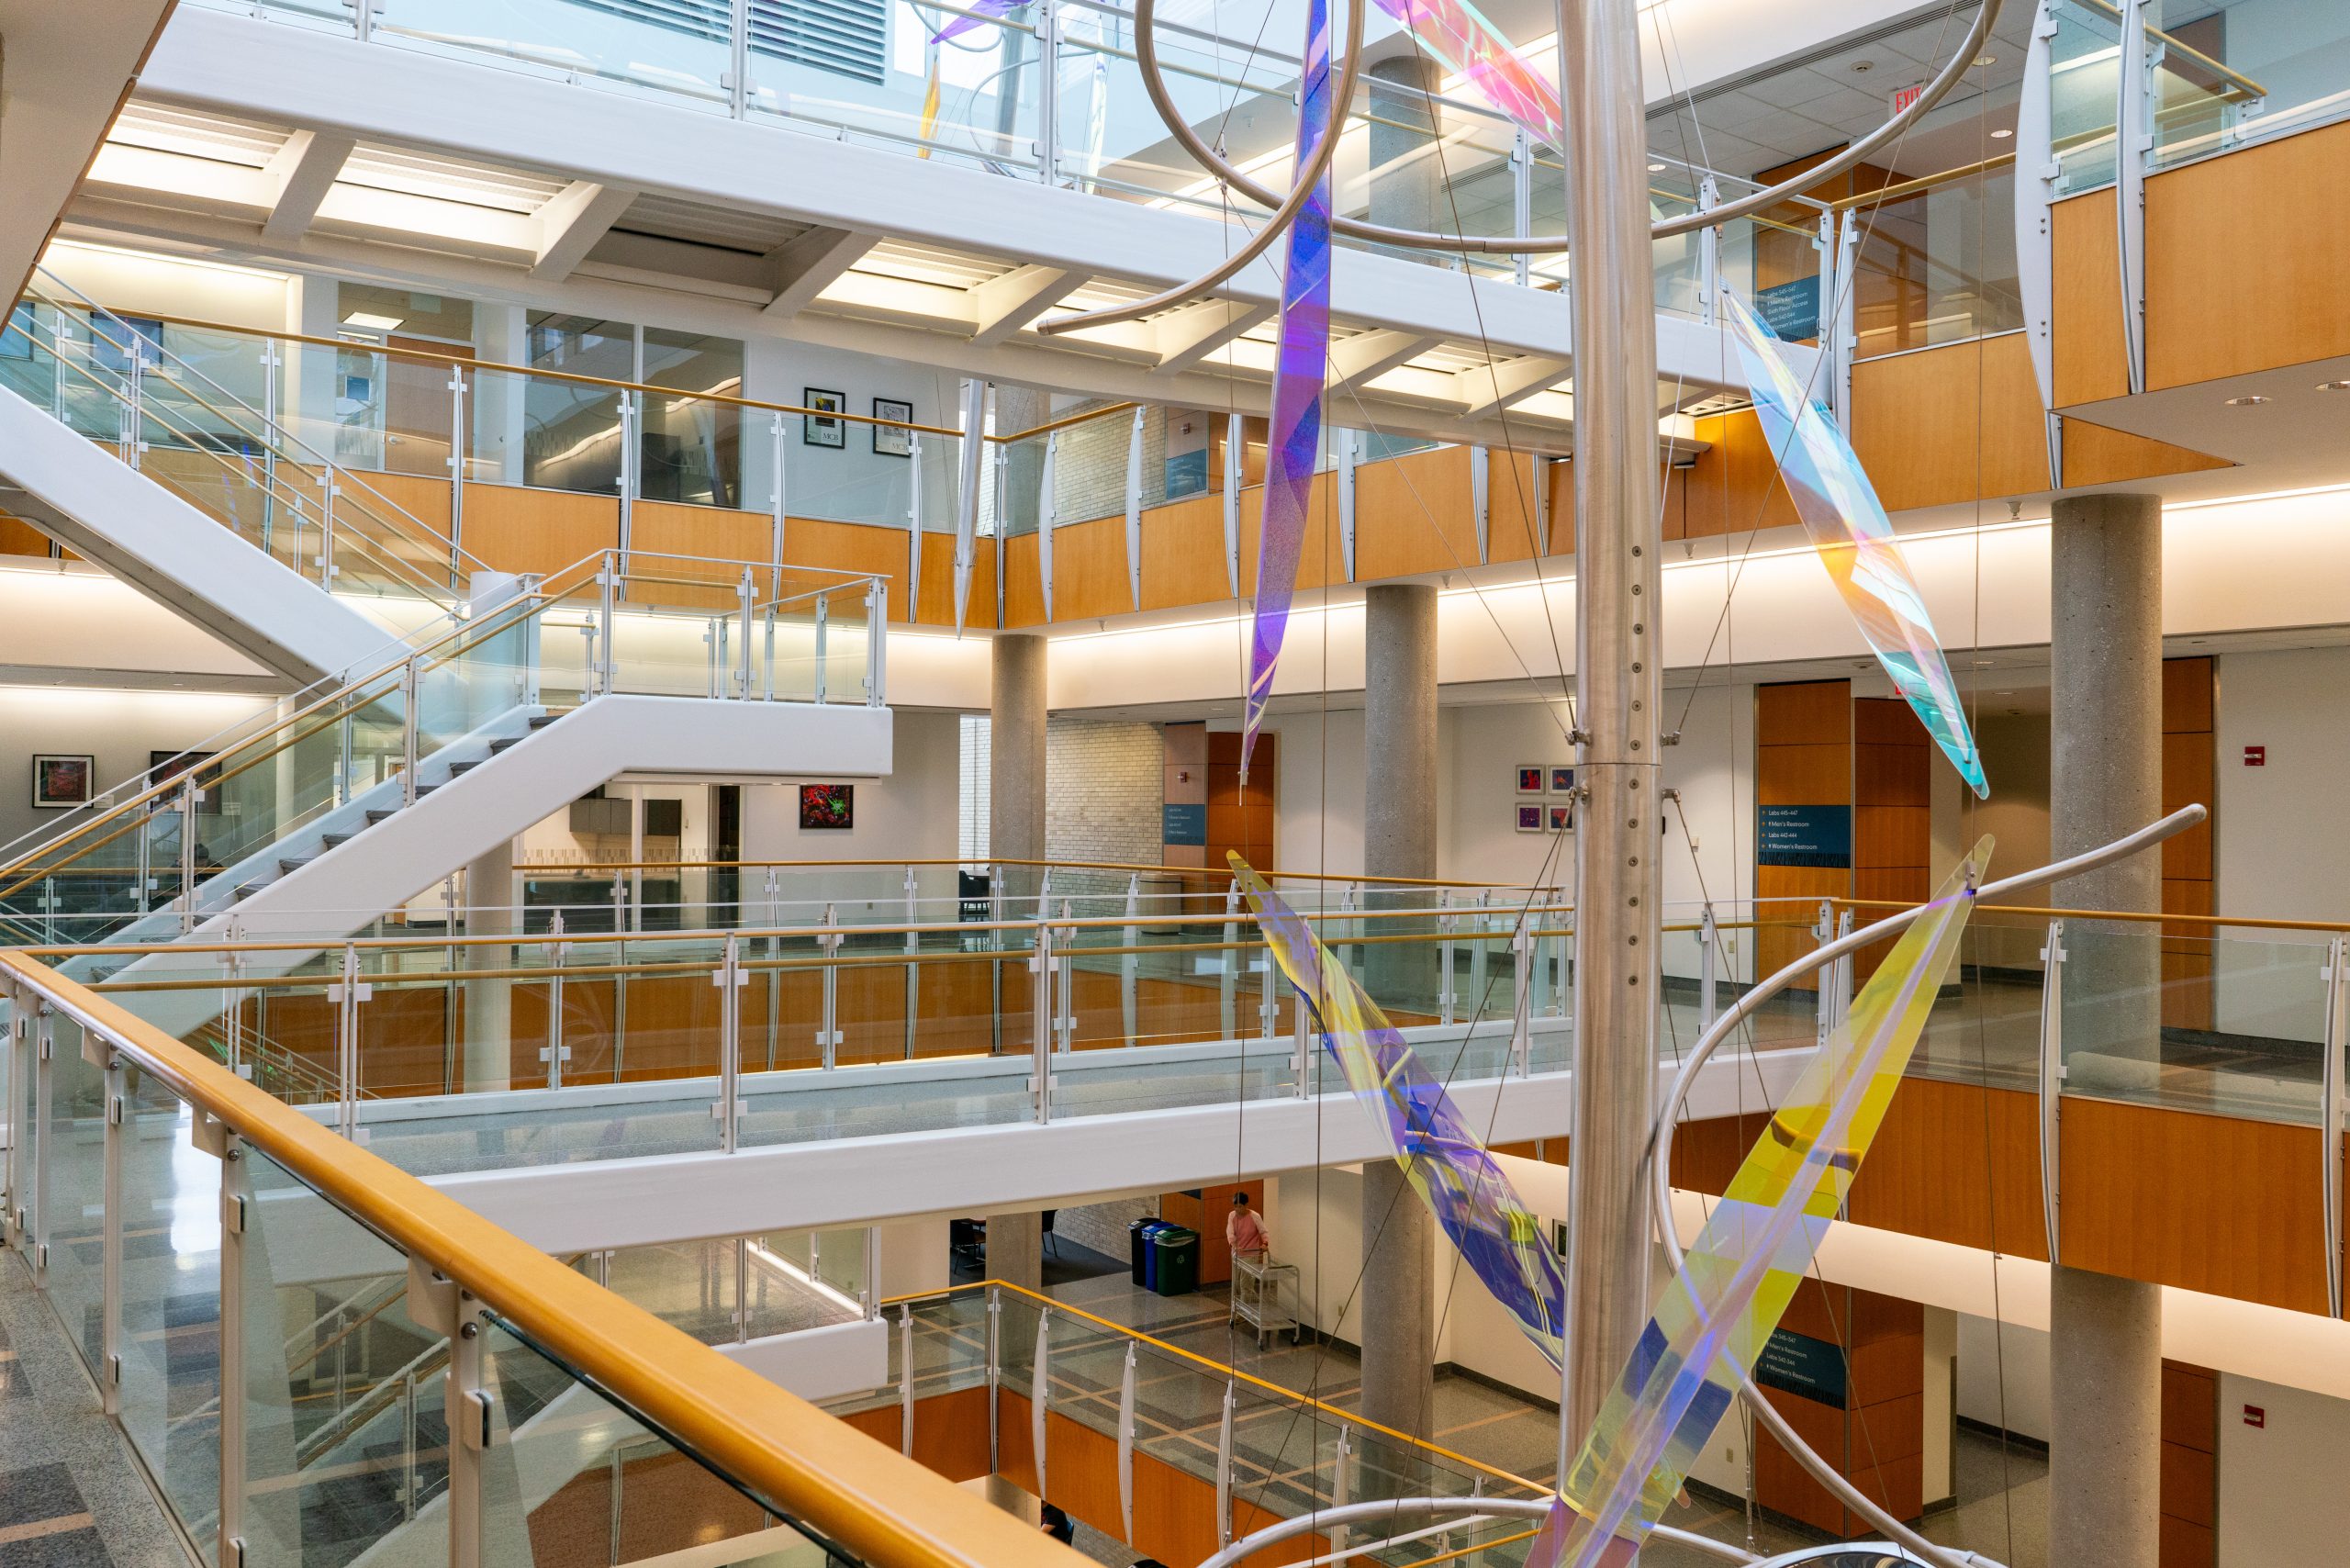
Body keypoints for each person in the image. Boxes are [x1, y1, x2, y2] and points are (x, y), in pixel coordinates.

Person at [1226, 1190, 1269, 1262]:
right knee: (1236, 1274)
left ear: (1246, 1205)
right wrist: (1233, 1244)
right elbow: (1230, 1232)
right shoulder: (1232, 1215)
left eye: (1240, 1207)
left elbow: (1264, 1232)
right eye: (1235, 1206)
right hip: (1237, 1254)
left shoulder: (1255, 1216)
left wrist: (1265, 1243)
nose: (1237, 1209)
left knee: (1248, 1273)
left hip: (1252, 1254)